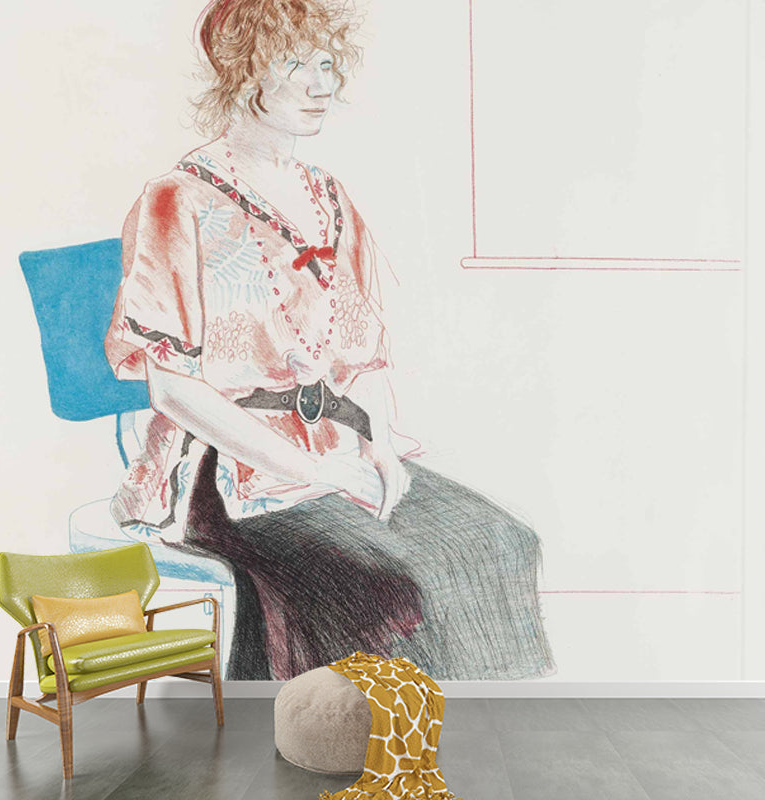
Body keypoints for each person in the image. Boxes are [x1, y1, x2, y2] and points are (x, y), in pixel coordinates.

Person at [105, 0, 555, 681]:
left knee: (503, 542)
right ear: (243, 71)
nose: (323, 85)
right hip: (232, 473)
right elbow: (172, 390)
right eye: (296, 65)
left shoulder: (329, 197)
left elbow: (362, 353)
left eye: (327, 64)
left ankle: (486, 732)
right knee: (398, 579)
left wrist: (380, 448)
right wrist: (312, 471)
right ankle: (374, 733)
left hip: (340, 446)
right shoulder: (177, 199)